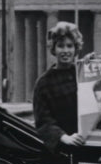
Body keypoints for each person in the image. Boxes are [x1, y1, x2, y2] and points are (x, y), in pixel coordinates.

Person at [32, 21, 86, 152]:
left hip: (89, 142)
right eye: (60, 46)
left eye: (70, 46)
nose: (66, 51)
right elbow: (43, 121)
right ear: (53, 49)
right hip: (63, 149)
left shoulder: (83, 73)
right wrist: (63, 137)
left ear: (76, 48)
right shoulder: (43, 83)